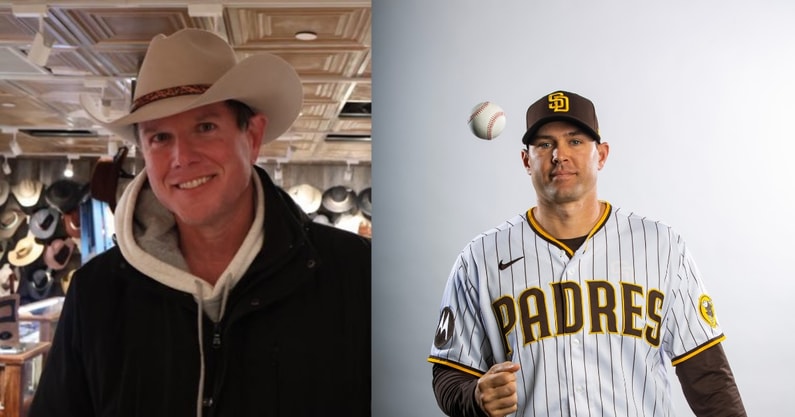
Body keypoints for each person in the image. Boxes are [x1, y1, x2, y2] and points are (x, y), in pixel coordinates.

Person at [29, 28, 371, 417]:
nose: (181, 156)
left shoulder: (356, 273)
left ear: (253, 136)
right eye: (159, 137)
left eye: (205, 127)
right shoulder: (96, 294)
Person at [428, 91, 746, 417]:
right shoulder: (479, 258)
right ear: (526, 160)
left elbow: (707, 374)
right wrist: (476, 398)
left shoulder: (662, 246)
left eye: (575, 141)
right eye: (544, 144)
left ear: (602, 155)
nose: (560, 155)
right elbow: (450, 372)